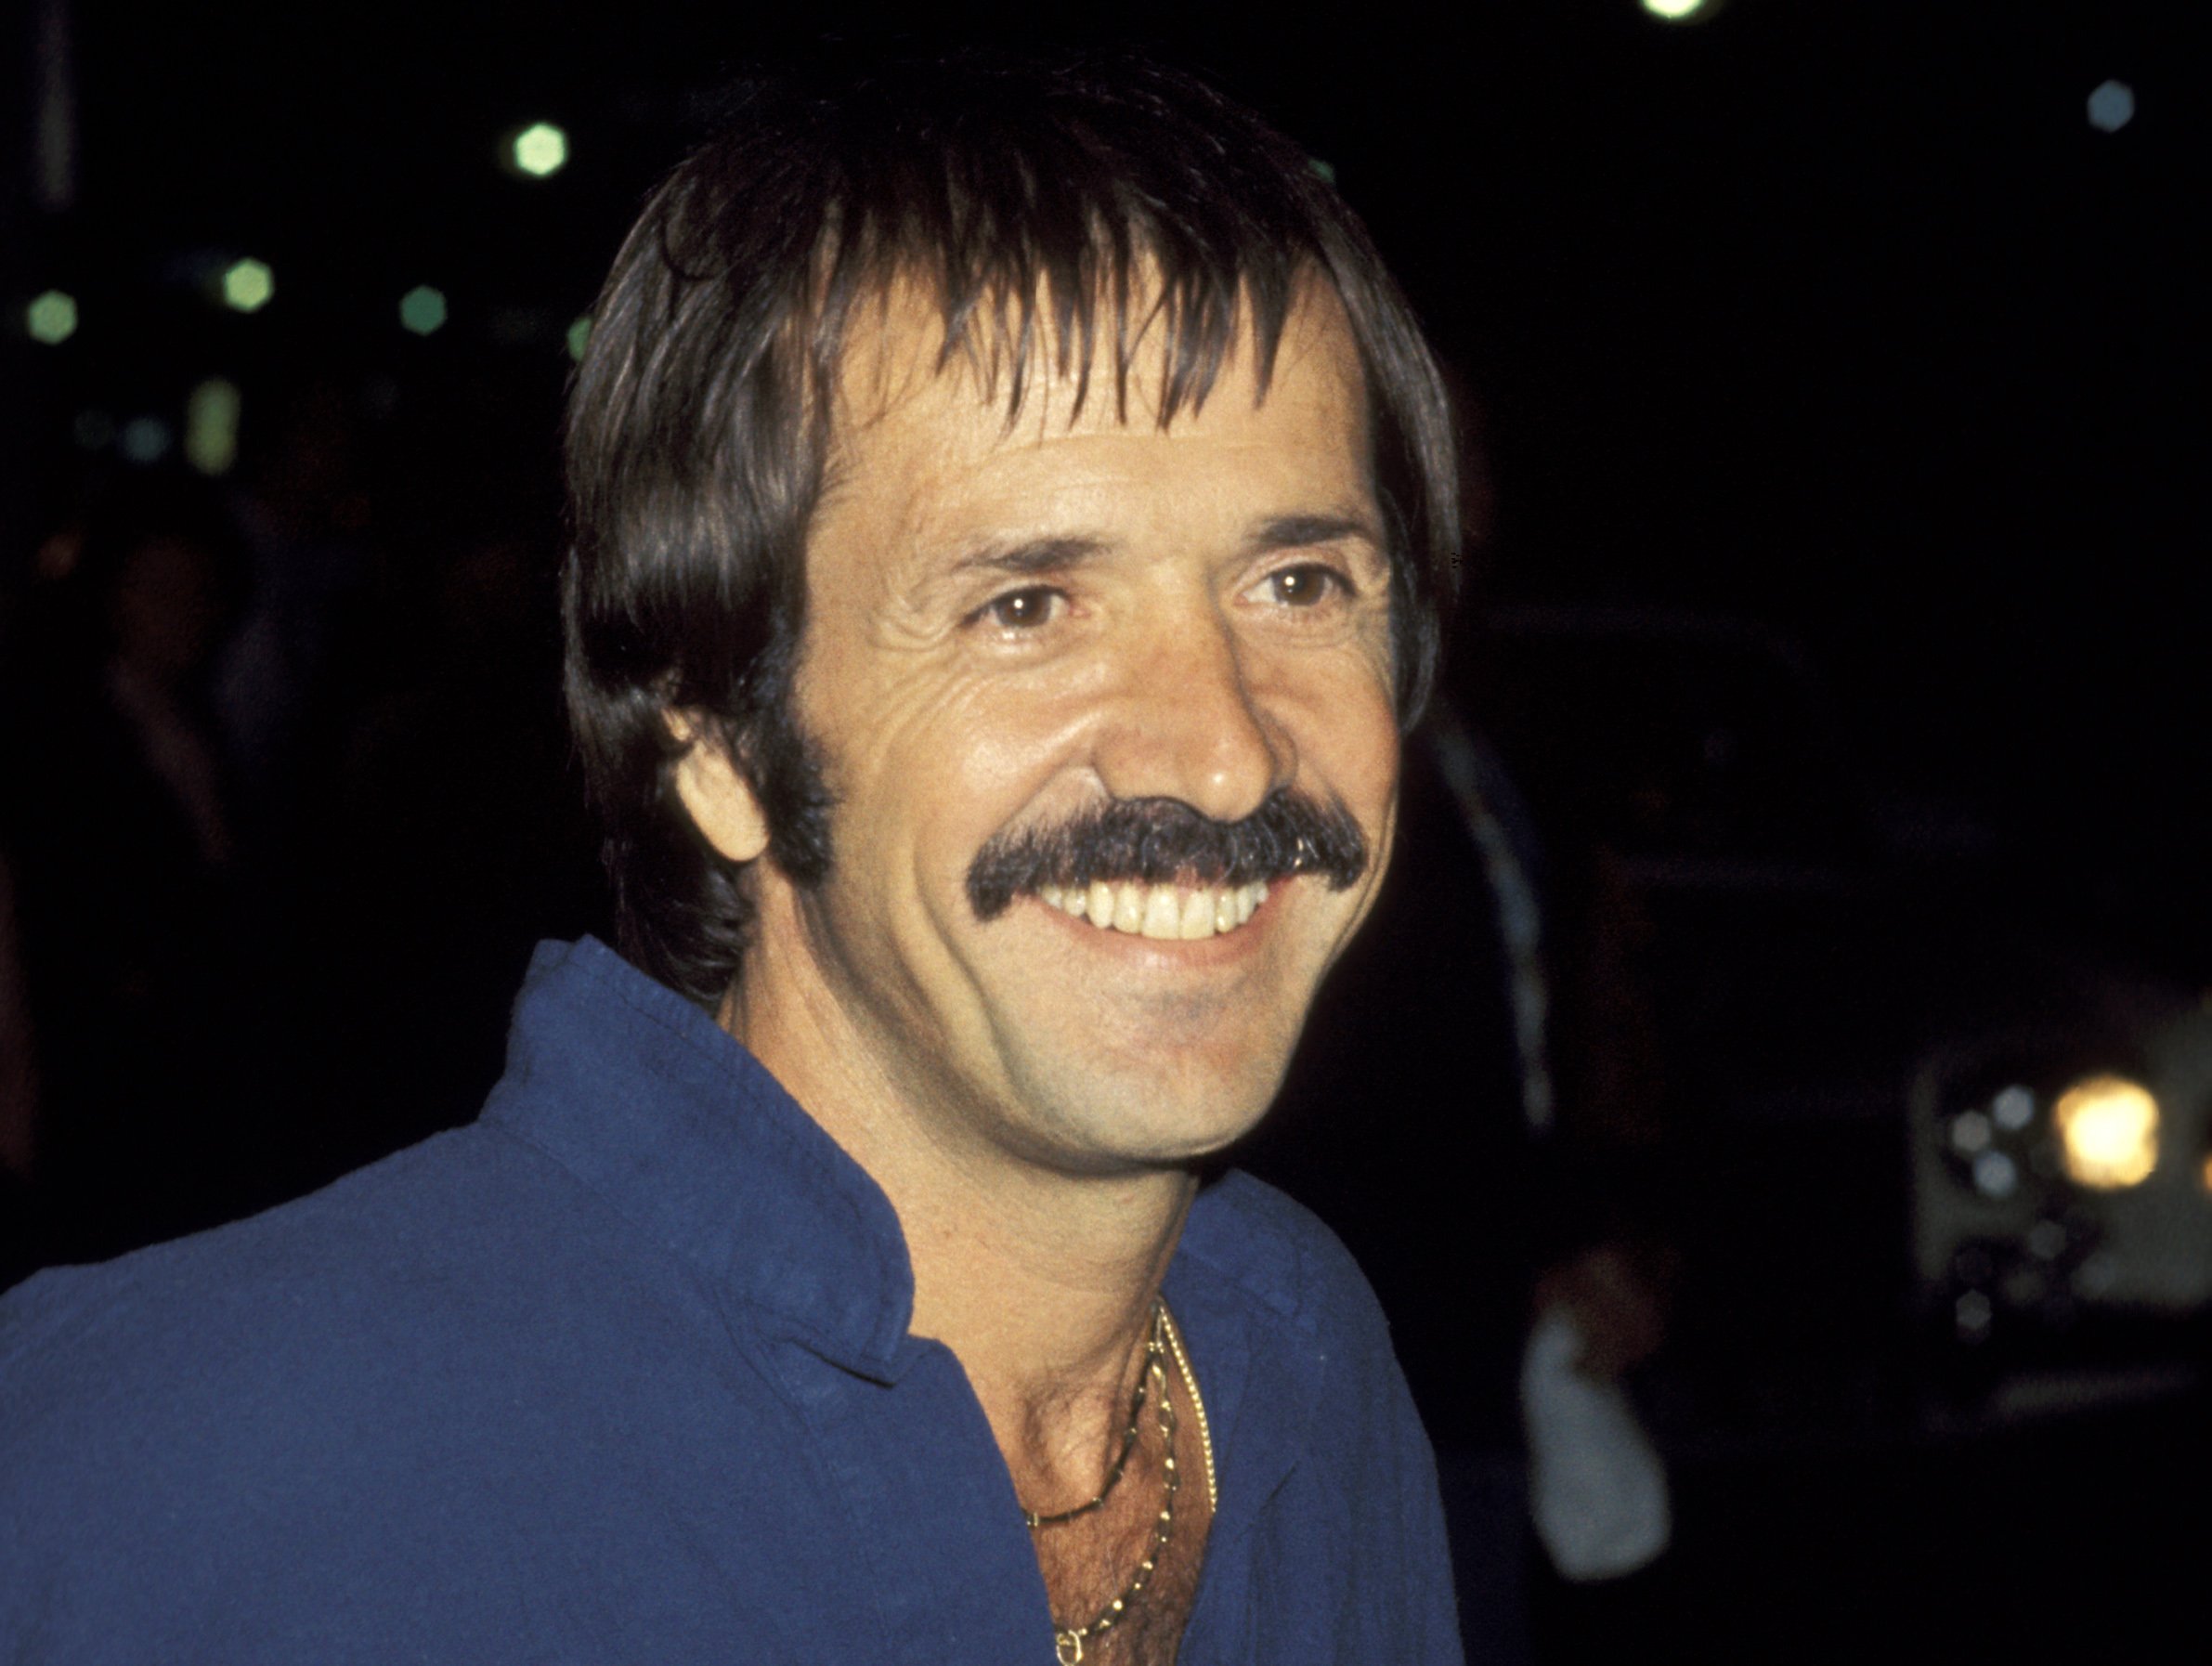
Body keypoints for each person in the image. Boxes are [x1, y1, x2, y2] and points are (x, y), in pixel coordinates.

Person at [0, 48, 1464, 1663]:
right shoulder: (173, 1472)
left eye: (1299, 585)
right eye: (1028, 606)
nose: (1226, 748)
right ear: (716, 740)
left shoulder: (1301, 1359)